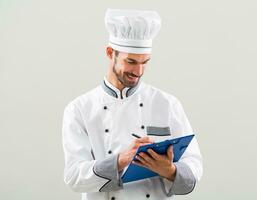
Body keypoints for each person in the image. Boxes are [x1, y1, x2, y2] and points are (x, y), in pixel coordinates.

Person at [62, 8, 203, 200]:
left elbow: (194, 165)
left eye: (145, 62)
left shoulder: (168, 104)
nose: (139, 71)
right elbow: (74, 176)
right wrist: (120, 160)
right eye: (131, 61)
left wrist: (169, 170)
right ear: (110, 53)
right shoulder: (80, 109)